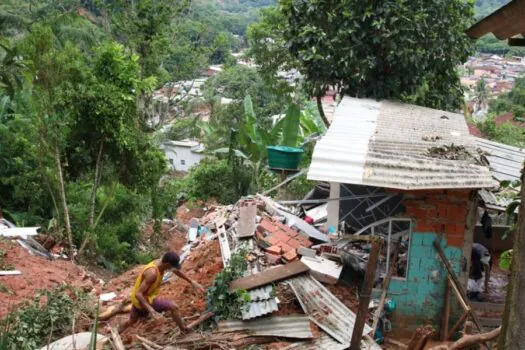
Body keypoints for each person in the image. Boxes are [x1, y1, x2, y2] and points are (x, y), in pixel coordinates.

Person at [118, 251, 205, 334]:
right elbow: (138, 294)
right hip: (143, 300)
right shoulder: (152, 273)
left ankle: (114, 334)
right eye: (171, 267)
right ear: (167, 264)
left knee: (131, 321)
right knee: (174, 307)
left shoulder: (160, 262)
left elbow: (175, 271)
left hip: (137, 301)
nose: (172, 269)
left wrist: (191, 281)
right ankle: (184, 329)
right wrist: (151, 310)